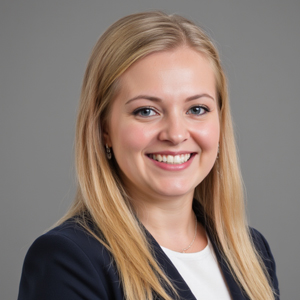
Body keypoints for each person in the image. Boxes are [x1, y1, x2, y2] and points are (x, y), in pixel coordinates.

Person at [18, 11, 279, 300]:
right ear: (104, 128)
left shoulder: (251, 252)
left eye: (197, 109)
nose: (176, 134)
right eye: (146, 111)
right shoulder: (68, 260)